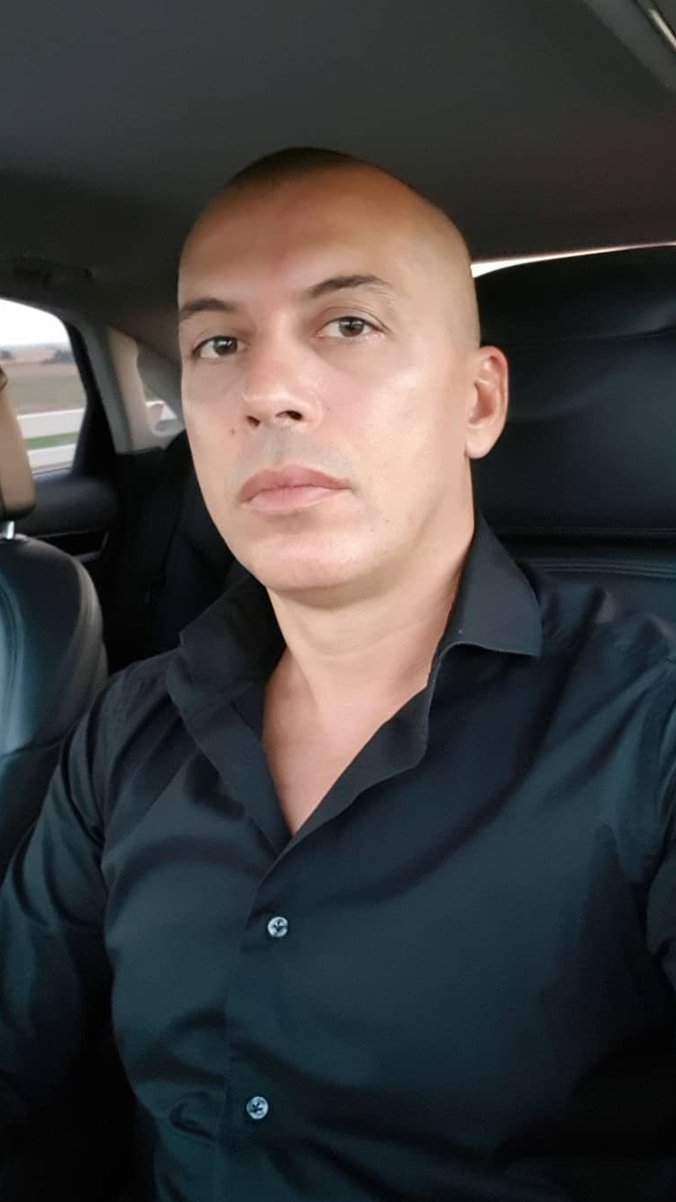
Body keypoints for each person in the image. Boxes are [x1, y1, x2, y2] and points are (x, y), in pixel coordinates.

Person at [1, 147, 676, 1202]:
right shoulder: (131, 724)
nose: (266, 389)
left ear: (477, 402)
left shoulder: (649, 727)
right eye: (220, 343)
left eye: (348, 324)